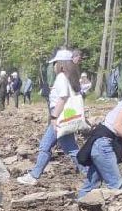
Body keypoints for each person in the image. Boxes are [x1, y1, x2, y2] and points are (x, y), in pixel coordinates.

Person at [17, 49, 81, 185]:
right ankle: (91, 173)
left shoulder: (61, 78)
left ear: (61, 64)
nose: (54, 66)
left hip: (59, 116)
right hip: (65, 116)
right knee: (70, 148)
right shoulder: (70, 77)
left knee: (46, 146)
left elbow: (63, 97)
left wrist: (54, 117)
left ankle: (34, 176)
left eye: (56, 63)